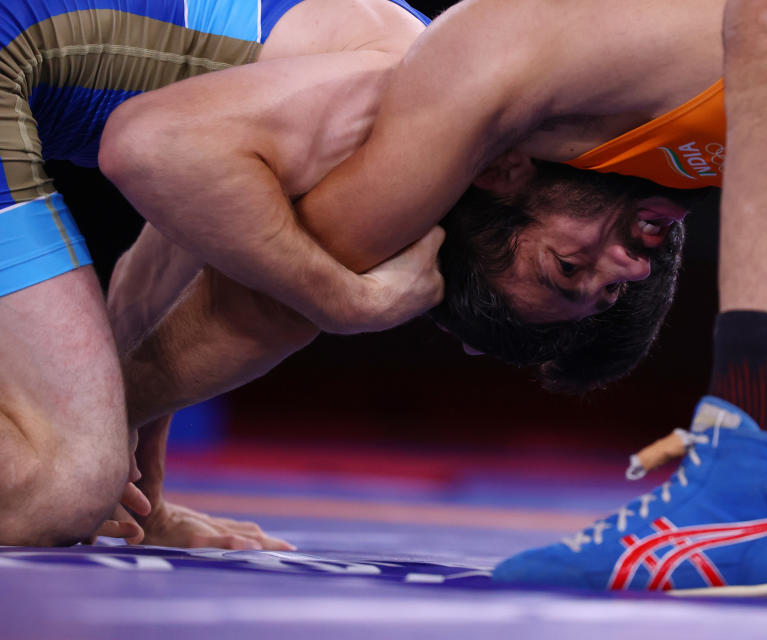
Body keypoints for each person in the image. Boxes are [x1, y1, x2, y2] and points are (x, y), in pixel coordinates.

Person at [119, 0, 767, 596]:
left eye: (566, 270)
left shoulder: (491, 61)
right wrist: (131, 482)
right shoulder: (719, 139)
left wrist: (80, 449)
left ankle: (741, 478)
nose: (625, 274)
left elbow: (266, 298)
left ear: (497, 177)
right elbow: (192, 268)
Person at [0, 0, 446, 548]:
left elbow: (146, 290)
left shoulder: (347, 80)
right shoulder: (407, 102)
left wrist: (147, 507)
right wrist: (351, 302)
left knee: (75, 468)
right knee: (62, 483)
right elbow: (147, 146)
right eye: (561, 273)